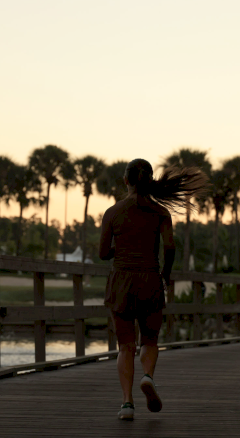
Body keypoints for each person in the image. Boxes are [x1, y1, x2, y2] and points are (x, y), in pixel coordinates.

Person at [99, 158, 208, 420]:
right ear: (150, 180)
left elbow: (103, 253)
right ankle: (148, 376)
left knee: (125, 345)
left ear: (126, 180)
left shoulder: (113, 212)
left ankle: (127, 404)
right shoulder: (160, 213)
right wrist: (166, 275)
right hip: (150, 280)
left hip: (122, 282)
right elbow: (169, 247)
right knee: (150, 340)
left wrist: (121, 250)